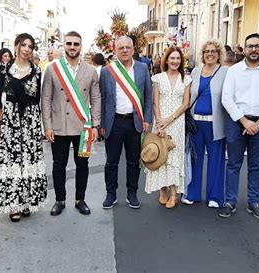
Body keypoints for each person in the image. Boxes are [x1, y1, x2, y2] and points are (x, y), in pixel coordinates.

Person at [219, 33, 259, 220]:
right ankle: (230, 201)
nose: (253, 49)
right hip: (237, 122)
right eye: (250, 46)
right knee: (233, 164)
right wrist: (245, 121)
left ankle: (254, 203)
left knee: (256, 166)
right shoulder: (234, 71)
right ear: (244, 49)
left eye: (257, 46)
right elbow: (226, 98)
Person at [42, 31, 101, 216]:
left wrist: (96, 125)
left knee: (82, 164)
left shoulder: (90, 71)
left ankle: (80, 199)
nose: (72, 47)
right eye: (69, 43)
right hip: (59, 127)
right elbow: (46, 98)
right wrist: (48, 126)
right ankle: (60, 200)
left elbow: (96, 99)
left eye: (76, 43)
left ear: (81, 46)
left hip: (83, 127)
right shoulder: (53, 69)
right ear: (64, 45)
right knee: (59, 164)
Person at [0, 33, 48, 221]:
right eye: (23, 45)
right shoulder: (4, 69)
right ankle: (13, 204)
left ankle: (27, 201)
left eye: (30, 46)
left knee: (29, 160)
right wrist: (2, 114)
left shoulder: (37, 71)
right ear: (16, 46)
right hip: (12, 121)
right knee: (13, 161)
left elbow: (38, 96)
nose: (27, 49)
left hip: (31, 121)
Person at [99, 36, 153, 209]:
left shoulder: (143, 68)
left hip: (134, 122)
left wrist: (147, 119)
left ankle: (132, 193)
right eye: (120, 47)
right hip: (113, 122)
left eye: (127, 47)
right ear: (115, 50)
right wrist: (101, 123)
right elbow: (102, 97)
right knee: (111, 162)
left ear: (133, 49)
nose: (124, 50)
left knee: (133, 161)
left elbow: (148, 95)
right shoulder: (107, 71)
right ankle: (111, 193)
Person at [144, 46, 191, 209]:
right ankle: (162, 191)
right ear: (166, 60)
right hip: (160, 123)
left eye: (178, 58)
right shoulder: (157, 78)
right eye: (172, 58)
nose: (175, 61)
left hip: (177, 123)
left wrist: (169, 119)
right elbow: (155, 102)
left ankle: (173, 194)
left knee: (173, 158)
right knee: (160, 155)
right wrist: (159, 123)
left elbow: (186, 104)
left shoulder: (186, 79)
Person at [182, 40, 228, 208]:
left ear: (219, 54)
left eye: (213, 51)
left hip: (215, 123)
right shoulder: (195, 71)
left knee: (216, 160)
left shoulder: (225, 72)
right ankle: (192, 194)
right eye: (207, 51)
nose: (210, 54)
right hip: (196, 124)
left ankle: (215, 197)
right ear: (203, 54)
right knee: (194, 158)